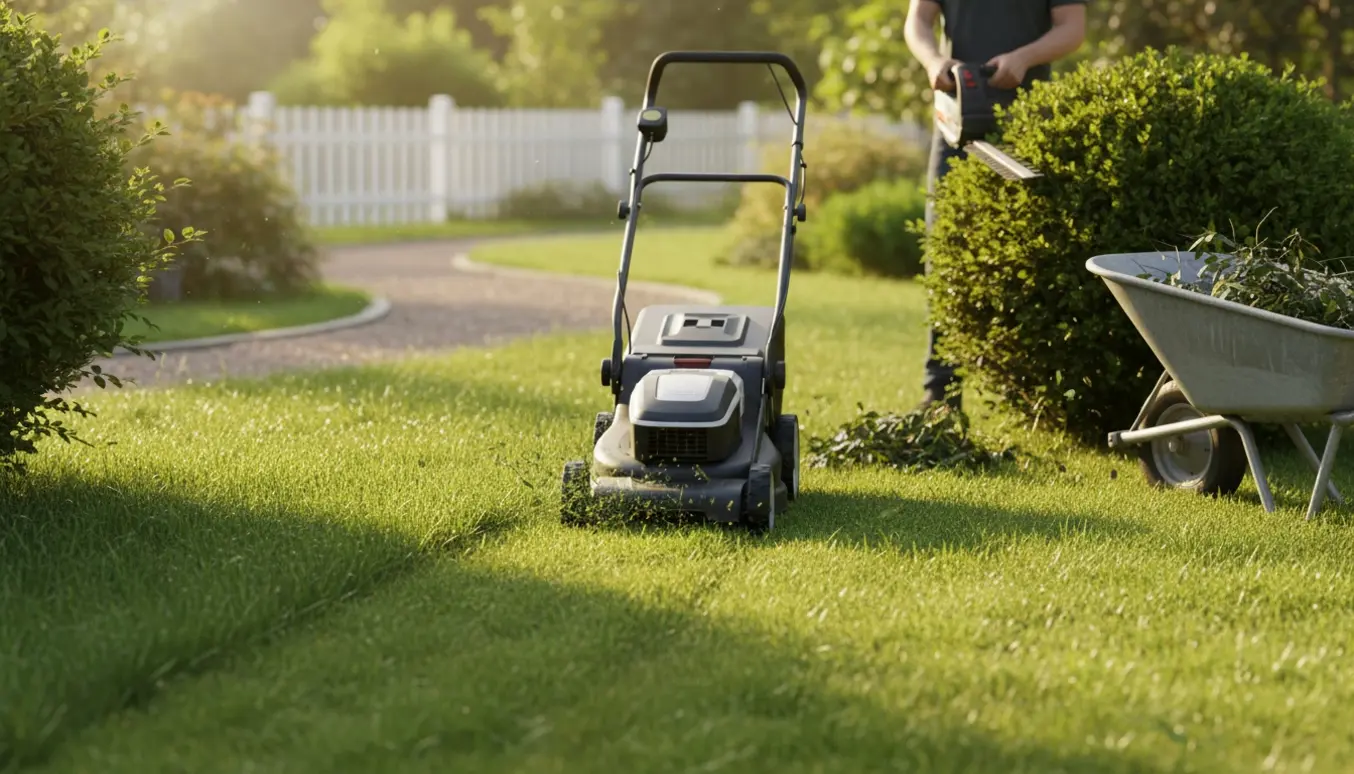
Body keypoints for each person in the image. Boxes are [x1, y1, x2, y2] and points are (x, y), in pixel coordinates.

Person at [904, 0, 1087, 410]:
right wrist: (934, 60)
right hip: (958, 119)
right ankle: (941, 391)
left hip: (1028, 121)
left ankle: (1032, 391)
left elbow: (1072, 28)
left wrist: (1023, 58)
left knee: (1032, 251)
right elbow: (918, 20)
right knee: (946, 251)